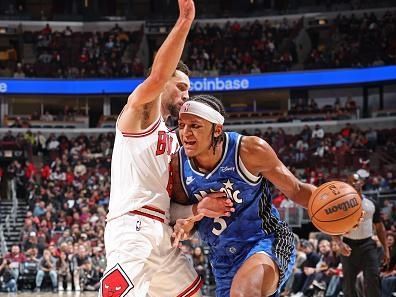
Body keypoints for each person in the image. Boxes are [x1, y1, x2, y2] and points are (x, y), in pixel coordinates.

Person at [100, 1, 233, 297]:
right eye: (182, 86)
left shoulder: (175, 139)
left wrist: (199, 209)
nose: (187, 94)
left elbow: (170, 206)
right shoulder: (139, 115)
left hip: (162, 231)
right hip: (132, 226)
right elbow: (158, 76)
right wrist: (185, 20)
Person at [171, 95, 317, 297]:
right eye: (181, 125)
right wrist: (186, 224)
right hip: (222, 259)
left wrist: (327, 212)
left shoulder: (249, 150)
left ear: (217, 130)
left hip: (265, 241)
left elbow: (297, 190)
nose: (186, 133)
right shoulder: (178, 164)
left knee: (243, 292)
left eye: (195, 125)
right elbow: (186, 219)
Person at [332, 173, 390, 297]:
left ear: (362, 183)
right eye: (350, 181)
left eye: (356, 181)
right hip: (348, 245)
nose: (353, 183)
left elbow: (380, 228)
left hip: (367, 245)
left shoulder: (371, 203)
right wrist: (340, 243)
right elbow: (332, 229)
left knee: (372, 279)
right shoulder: (340, 206)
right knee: (349, 285)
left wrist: (386, 250)